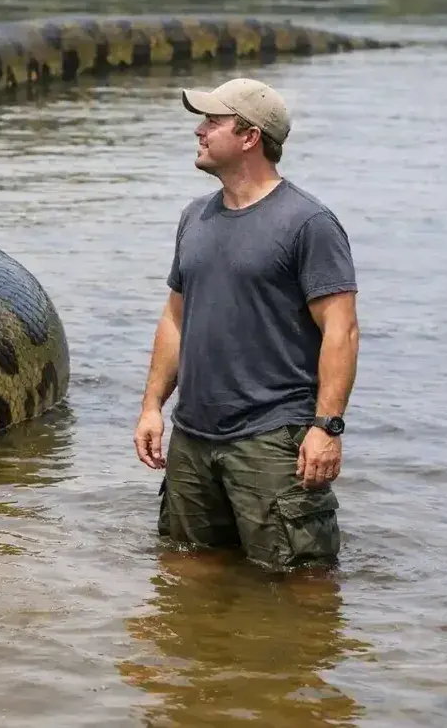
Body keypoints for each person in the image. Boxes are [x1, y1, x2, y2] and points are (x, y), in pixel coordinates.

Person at [133, 77, 360, 571]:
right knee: (187, 575)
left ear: (250, 137)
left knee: (301, 588)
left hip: (273, 440)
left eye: (213, 121)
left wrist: (327, 428)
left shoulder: (308, 223)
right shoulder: (195, 218)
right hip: (193, 438)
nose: (200, 130)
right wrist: (153, 406)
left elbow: (341, 331)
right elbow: (175, 317)